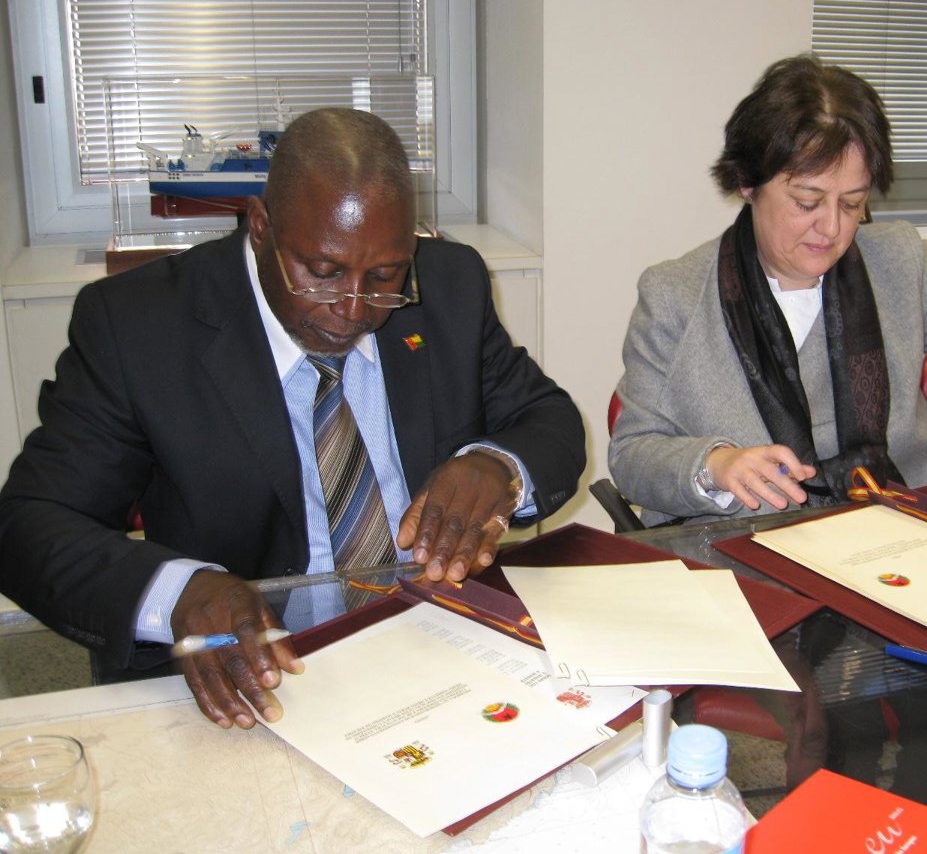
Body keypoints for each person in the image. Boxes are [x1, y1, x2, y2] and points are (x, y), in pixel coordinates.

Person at [0, 108, 585, 730]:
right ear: (261, 227)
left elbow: (549, 420)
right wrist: (180, 594)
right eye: (323, 273)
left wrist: (498, 466)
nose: (354, 309)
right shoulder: (138, 326)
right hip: (253, 679)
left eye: (384, 276)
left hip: (435, 649)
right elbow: (28, 525)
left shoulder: (449, 284)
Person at [609, 53, 927, 527]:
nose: (831, 228)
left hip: (898, 527)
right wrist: (716, 465)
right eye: (807, 202)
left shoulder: (896, 262)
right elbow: (634, 454)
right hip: (749, 539)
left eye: (852, 204)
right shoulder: (675, 295)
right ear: (748, 183)